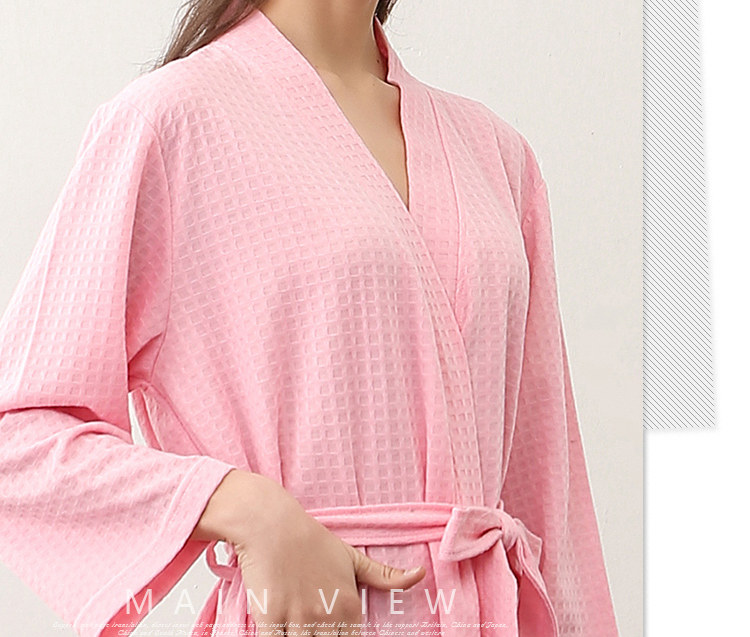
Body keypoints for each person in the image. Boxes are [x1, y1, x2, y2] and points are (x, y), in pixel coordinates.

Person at [0, 1, 620, 636]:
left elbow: (550, 493)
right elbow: (17, 437)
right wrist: (242, 506)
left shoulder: (497, 154)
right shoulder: (170, 122)